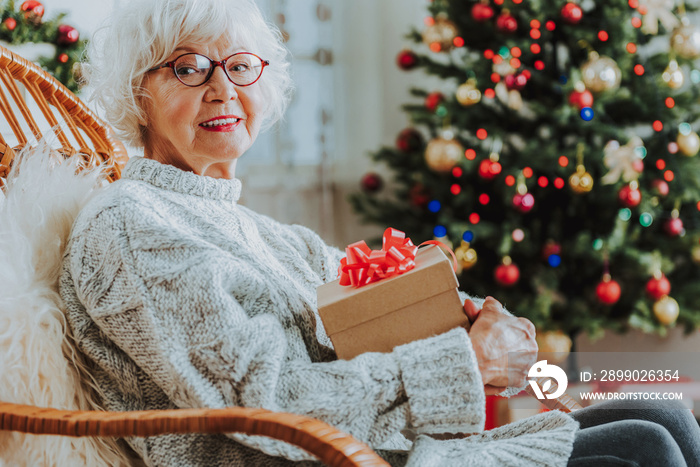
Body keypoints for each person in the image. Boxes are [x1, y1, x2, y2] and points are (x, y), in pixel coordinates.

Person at [59, 0, 700, 465]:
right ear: (135, 94)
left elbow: (371, 297)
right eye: (190, 67)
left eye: (240, 66)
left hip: (376, 447)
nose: (222, 88)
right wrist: (465, 363)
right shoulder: (130, 225)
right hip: (318, 460)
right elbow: (270, 401)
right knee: (646, 446)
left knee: (667, 414)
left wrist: (461, 318)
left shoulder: (255, 229)